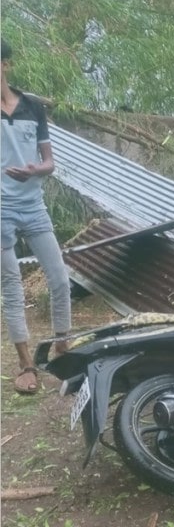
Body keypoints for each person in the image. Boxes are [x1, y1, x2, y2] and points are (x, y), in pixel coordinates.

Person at [1, 38, 71, 394]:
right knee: (11, 287)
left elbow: (50, 162)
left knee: (59, 278)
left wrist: (35, 170)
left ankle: (63, 347)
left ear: (6, 65)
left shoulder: (32, 107)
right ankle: (26, 364)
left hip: (33, 206)